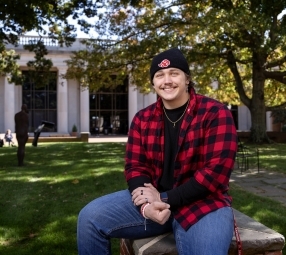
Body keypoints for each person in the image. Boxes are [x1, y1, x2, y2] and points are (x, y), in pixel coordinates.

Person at [77, 48, 238, 255]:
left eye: (174, 73)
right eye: (159, 75)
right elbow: (135, 166)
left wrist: (164, 198)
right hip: (154, 201)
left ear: (187, 79)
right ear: (153, 83)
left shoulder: (215, 113)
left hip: (203, 205)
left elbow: (216, 173)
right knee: (89, 218)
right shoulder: (143, 119)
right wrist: (145, 205)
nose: (167, 80)